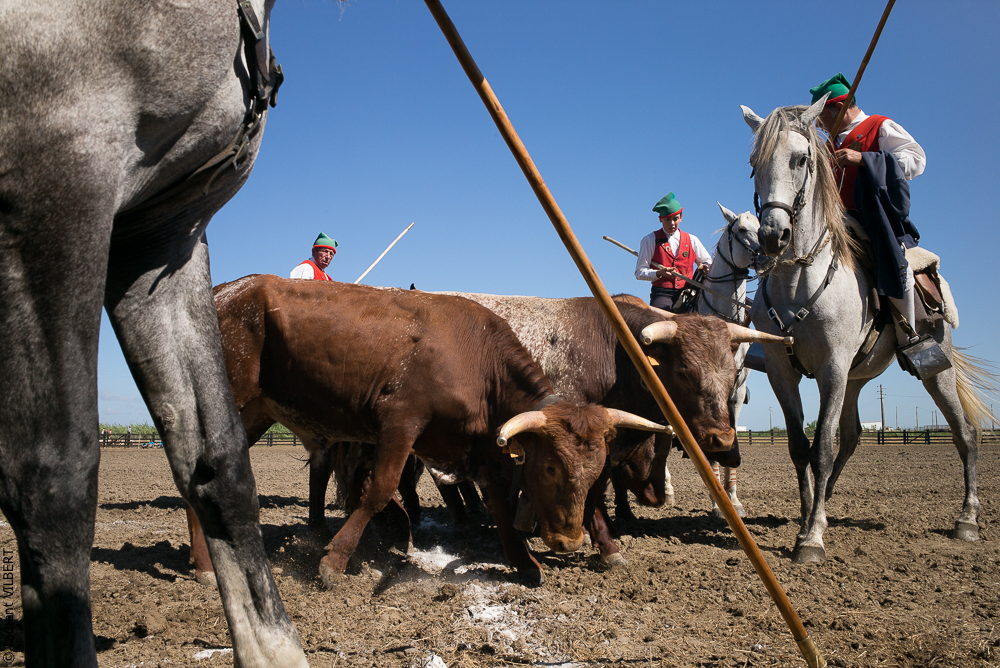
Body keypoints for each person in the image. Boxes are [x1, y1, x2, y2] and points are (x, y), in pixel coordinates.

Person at [810, 73, 928, 354]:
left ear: (839, 108)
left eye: (820, 117)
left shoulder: (879, 126)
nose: (818, 125)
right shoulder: (828, 145)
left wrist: (864, 159)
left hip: (874, 219)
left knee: (896, 264)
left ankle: (910, 337)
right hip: (835, 221)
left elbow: (916, 160)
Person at [634, 192, 712, 311]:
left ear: (681, 217)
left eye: (675, 219)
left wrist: (705, 266)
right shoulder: (650, 240)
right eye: (667, 219)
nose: (672, 223)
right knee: (658, 320)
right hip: (662, 294)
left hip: (689, 292)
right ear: (660, 219)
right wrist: (658, 273)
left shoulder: (692, 240)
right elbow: (639, 272)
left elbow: (708, 261)